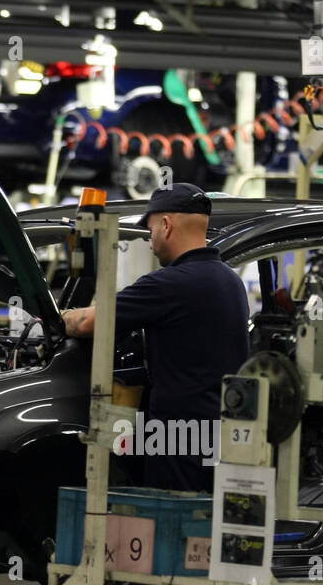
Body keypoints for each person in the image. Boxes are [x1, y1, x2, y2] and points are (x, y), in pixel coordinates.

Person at [61, 183, 250, 491]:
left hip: (179, 440)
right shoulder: (230, 281)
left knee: (173, 528)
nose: (150, 242)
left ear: (166, 225)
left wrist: (55, 319)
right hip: (222, 436)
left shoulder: (169, 284)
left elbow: (87, 324)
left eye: (150, 232)